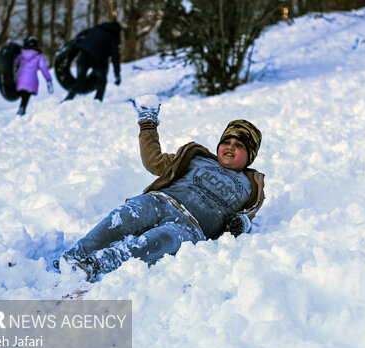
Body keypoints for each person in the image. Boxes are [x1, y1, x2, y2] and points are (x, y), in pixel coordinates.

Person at [59, 96, 265, 282]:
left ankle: (98, 264)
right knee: (124, 217)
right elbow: (153, 161)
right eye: (226, 141)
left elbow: (247, 217)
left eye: (239, 145)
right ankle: (75, 255)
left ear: (250, 155)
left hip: (190, 228)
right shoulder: (197, 158)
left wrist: (241, 222)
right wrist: (147, 124)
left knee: (159, 241)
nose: (230, 146)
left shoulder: (250, 186)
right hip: (160, 201)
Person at [63, 22, 121, 102]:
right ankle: (97, 101)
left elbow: (79, 36)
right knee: (101, 81)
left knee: (80, 80)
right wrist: (117, 74)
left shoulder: (95, 29)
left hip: (83, 55)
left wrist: (68, 49)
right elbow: (115, 56)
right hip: (99, 59)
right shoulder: (113, 36)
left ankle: (68, 99)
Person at [13, 36, 53, 116]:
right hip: (31, 79)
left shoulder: (21, 54)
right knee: (26, 94)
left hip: (20, 78)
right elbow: (44, 68)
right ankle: (22, 109)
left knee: (23, 93)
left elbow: (14, 64)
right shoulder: (38, 56)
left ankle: (21, 109)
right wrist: (48, 79)